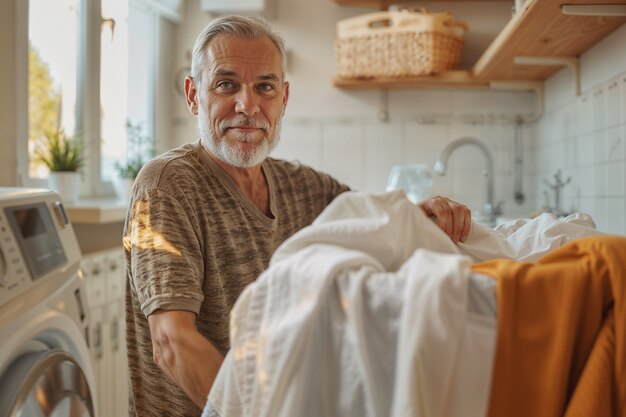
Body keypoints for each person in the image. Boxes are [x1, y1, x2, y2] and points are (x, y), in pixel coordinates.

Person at [123, 14, 472, 417]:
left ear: (283, 99)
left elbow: (374, 223)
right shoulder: (165, 186)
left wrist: (427, 213)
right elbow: (171, 342)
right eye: (226, 84)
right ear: (193, 94)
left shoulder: (301, 186)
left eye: (264, 87)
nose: (248, 105)